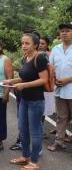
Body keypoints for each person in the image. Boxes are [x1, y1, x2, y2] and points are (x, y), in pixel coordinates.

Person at [5, 33, 48, 170]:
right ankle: (25, 156)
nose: (23, 46)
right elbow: (25, 77)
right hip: (24, 99)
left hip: (36, 101)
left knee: (35, 131)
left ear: (35, 45)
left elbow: (43, 80)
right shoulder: (25, 57)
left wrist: (24, 86)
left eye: (27, 43)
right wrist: (12, 81)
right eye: (22, 43)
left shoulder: (40, 58)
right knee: (23, 129)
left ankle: (34, 162)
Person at [47, 23, 72, 152]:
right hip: (59, 89)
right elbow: (51, 67)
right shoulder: (56, 49)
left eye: (67, 31)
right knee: (61, 116)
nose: (64, 33)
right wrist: (54, 79)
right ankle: (59, 141)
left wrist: (68, 79)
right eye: (62, 31)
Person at [38, 37, 55, 136]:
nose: (40, 45)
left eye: (43, 43)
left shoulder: (48, 55)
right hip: (36, 86)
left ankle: (40, 129)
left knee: (42, 110)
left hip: (45, 86)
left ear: (47, 45)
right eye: (39, 43)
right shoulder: (32, 55)